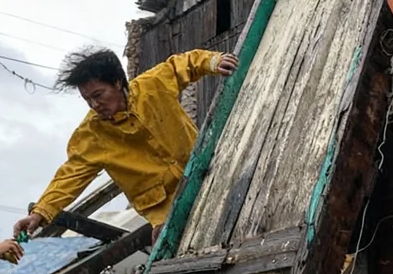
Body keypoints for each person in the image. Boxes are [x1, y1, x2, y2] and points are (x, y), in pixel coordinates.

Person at [14, 48, 238, 246]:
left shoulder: (152, 85)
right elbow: (69, 177)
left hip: (206, 175)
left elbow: (185, 63)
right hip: (165, 211)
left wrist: (213, 62)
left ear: (118, 83)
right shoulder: (91, 136)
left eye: (98, 95)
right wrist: (40, 213)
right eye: (87, 100)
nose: (94, 105)